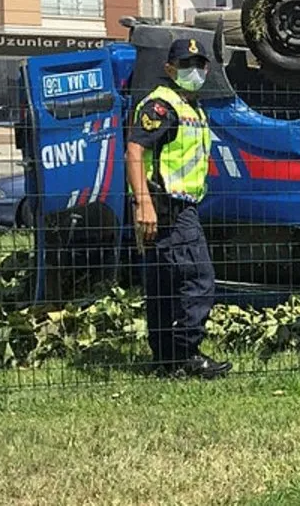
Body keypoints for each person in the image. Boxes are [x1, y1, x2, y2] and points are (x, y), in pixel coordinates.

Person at [125, 38, 231, 379]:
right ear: (169, 69)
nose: (194, 71)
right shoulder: (162, 105)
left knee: (165, 285)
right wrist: (144, 203)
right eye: (186, 65)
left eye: (199, 65)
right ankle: (186, 352)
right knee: (199, 279)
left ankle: (166, 360)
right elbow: (134, 152)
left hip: (177, 204)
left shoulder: (191, 106)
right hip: (166, 204)